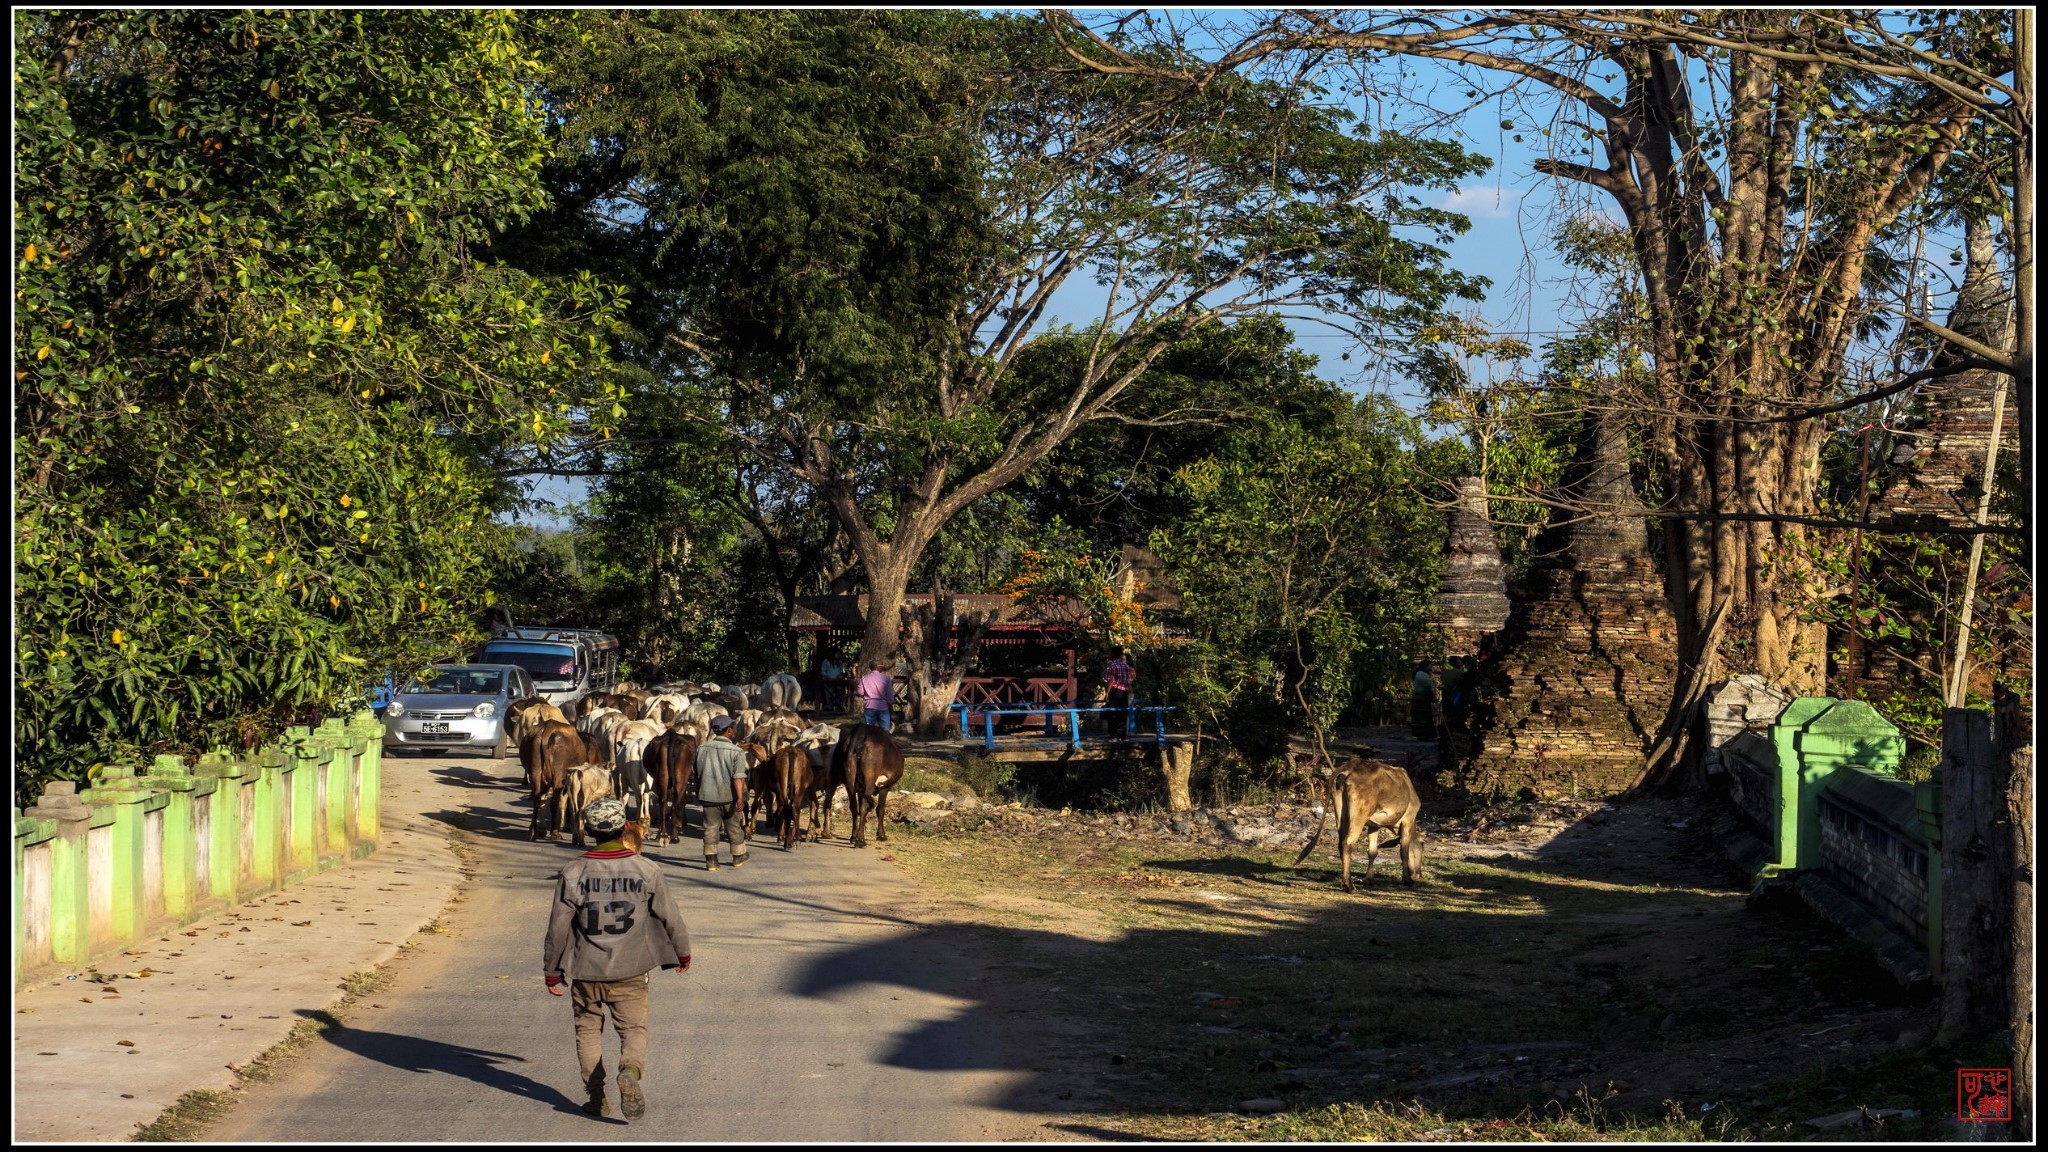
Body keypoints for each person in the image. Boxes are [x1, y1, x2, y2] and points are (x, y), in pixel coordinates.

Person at [543, 799, 691, 1122]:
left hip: (585, 972)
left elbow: (558, 927)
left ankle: (596, 1096)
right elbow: (672, 918)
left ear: (588, 830)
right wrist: (683, 953)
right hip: (631, 971)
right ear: (626, 827)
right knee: (634, 1029)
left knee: (587, 1031)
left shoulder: (573, 872)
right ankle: (630, 1071)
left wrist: (552, 972)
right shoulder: (647, 870)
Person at [694, 715, 750, 870]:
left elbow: (696, 773)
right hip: (729, 797)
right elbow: (738, 778)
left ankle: (711, 861)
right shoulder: (737, 751)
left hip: (708, 796)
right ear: (730, 730)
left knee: (710, 827)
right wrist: (740, 798)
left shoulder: (702, 748)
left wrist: (698, 793)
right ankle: (738, 857)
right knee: (733, 826)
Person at [856, 659, 895, 733]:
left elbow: (860, 692)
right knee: (885, 732)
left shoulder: (864, 678)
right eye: (882, 665)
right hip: (883, 707)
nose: (883, 667)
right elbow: (890, 694)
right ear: (877, 667)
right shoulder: (886, 678)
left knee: (869, 731)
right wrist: (890, 703)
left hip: (869, 706)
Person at [1102, 650, 1135, 735]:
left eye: (1110, 653)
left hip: (1115, 690)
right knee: (1122, 711)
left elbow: (1111, 681)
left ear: (1113, 655)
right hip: (1124, 691)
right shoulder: (1127, 666)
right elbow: (1129, 681)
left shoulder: (1113, 665)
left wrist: (1107, 694)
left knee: (1112, 711)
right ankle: (1122, 733)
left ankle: (1113, 733)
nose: (1108, 655)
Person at [1410, 661, 1438, 740]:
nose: (1431, 667)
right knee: (1425, 716)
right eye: (1430, 665)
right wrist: (1432, 697)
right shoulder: (1422, 675)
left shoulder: (1419, 674)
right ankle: (1426, 734)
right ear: (1425, 666)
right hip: (1422, 697)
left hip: (1419, 697)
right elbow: (1428, 687)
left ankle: (1421, 734)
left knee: (1420, 717)